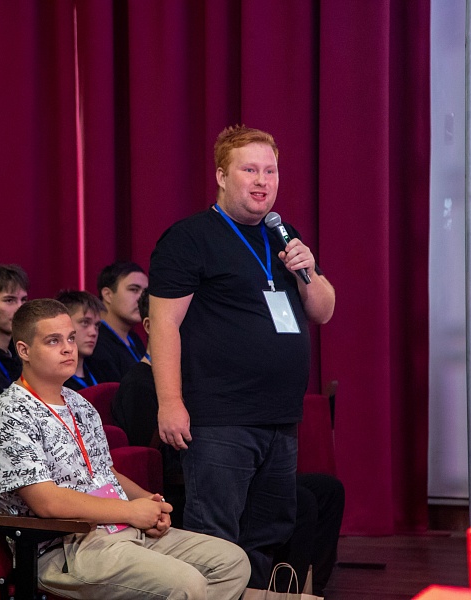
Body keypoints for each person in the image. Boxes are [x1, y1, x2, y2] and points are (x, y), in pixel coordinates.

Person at [148, 125, 336, 587]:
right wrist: (170, 402)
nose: (262, 181)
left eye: (270, 171)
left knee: (267, 533)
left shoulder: (283, 236)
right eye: (249, 170)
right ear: (221, 175)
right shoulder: (189, 238)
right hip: (220, 417)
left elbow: (324, 311)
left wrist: (308, 270)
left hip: (279, 416)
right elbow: (164, 325)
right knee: (215, 538)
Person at [0, 299, 250, 599]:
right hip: (64, 547)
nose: (68, 348)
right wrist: (131, 511)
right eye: (53, 341)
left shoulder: (79, 403)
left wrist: (149, 502)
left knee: (232, 562)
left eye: (70, 338)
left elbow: (105, 474)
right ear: (24, 350)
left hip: (118, 527)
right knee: (186, 584)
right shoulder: (10, 414)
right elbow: (46, 502)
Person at [114, 288, 344, 594]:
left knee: (324, 490)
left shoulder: (197, 375)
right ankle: (273, 590)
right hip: (186, 480)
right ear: (151, 325)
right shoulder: (139, 384)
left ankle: (303, 590)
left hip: (233, 462)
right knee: (299, 503)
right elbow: (158, 455)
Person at [90, 261, 148, 383]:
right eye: (134, 289)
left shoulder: (135, 339)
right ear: (108, 294)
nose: (142, 298)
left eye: (145, 292)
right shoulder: (94, 340)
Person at [54, 289, 103, 391]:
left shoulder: (102, 370)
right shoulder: (52, 380)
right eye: (85, 322)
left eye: (97, 325)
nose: (93, 332)